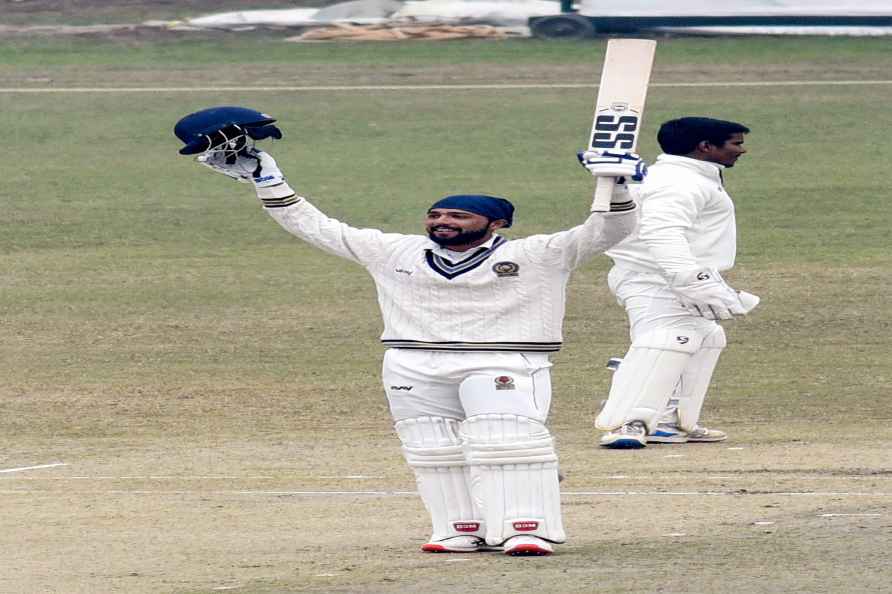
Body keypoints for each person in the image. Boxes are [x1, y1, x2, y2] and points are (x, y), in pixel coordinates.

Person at [192, 135, 643, 555]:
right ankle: (459, 529)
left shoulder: (538, 253)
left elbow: (607, 231)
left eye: (459, 216)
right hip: (411, 362)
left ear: (497, 223)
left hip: (502, 360)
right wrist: (266, 176)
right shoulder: (394, 251)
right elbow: (315, 226)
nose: (443, 222)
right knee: (433, 448)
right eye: (436, 215)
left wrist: (617, 184)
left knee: (508, 442)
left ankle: (527, 529)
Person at [578, 117, 760, 449]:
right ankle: (627, 423)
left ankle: (668, 422)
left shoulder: (683, 176)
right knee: (668, 340)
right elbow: (662, 231)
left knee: (706, 337)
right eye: (735, 143)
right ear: (705, 147)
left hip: (667, 276)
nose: (742, 150)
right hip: (657, 278)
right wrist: (689, 277)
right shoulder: (678, 182)